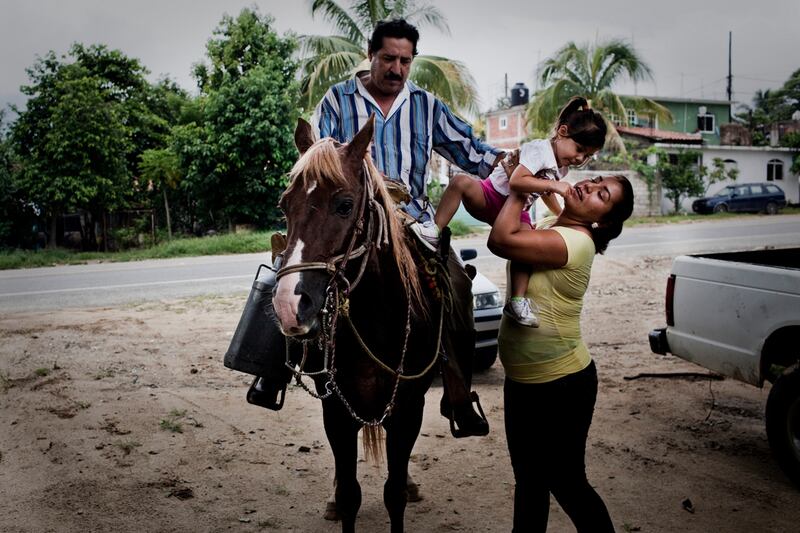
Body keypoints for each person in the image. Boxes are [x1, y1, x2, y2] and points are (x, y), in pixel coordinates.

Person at [304, 18, 503, 437]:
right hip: (351, 223)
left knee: (459, 285)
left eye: (406, 61)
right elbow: (317, 162)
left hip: (413, 223)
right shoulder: (337, 101)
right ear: (371, 55)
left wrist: (517, 162)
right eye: (389, 59)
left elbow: (470, 150)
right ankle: (273, 369)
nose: (397, 69)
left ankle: (458, 396)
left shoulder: (426, 105)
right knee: (291, 276)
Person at [487, 172, 634, 532]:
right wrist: (535, 177)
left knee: (567, 483)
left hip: (562, 383)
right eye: (596, 179)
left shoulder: (575, 242)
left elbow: (501, 239)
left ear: (602, 220)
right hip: (523, 380)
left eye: (602, 194)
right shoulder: (556, 223)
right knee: (530, 483)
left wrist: (524, 185)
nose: (589, 186)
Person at [418, 96, 606, 328]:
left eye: (586, 156)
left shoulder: (562, 167)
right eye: (579, 149)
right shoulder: (539, 150)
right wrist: (553, 185)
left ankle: (517, 300)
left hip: (517, 211)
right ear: (562, 131)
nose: (580, 158)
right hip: (490, 196)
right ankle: (433, 230)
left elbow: (545, 194)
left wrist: (559, 213)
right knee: (460, 182)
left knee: (525, 248)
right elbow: (517, 181)